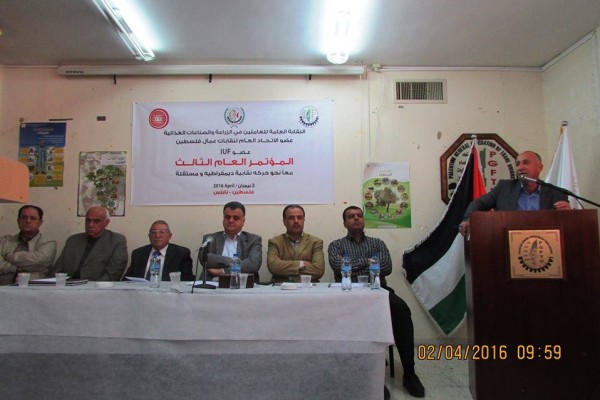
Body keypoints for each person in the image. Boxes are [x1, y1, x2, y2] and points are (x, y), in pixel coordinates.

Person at [328, 206, 425, 398]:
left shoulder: (377, 243)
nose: (356, 218)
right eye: (351, 216)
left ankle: (409, 373)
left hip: (377, 291)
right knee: (349, 318)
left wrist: (352, 263)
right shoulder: (336, 245)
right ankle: (372, 376)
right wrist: (369, 262)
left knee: (401, 309)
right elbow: (338, 266)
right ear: (344, 223)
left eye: (359, 215)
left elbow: (386, 267)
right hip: (348, 294)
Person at [459, 150, 570, 236]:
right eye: (517, 164)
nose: (520, 167)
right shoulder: (504, 188)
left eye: (526, 163)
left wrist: (568, 213)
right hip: (508, 240)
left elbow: (565, 222)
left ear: (540, 167)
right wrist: (467, 219)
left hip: (544, 243)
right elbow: (479, 203)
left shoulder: (556, 192)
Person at [53, 206, 128, 281]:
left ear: (106, 222)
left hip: (97, 286)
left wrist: (94, 287)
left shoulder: (116, 241)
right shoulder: (73, 240)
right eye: (88, 220)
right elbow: (57, 270)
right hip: (67, 285)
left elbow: (113, 273)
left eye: (96, 221)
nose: (90, 225)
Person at [202, 201, 262, 281]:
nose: (231, 220)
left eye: (235, 218)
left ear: (243, 221)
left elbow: (253, 264)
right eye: (227, 217)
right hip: (212, 283)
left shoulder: (253, 240)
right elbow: (205, 258)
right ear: (223, 218)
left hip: (243, 284)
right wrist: (233, 261)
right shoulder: (210, 239)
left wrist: (223, 271)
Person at [0, 205, 56, 285]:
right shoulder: (4, 241)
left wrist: (8, 256)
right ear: (18, 220)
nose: (28, 221)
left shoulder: (48, 243)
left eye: (33, 218)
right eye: (24, 217)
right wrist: (16, 269)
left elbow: (38, 262)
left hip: (33, 289)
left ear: (40, 222)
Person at [267, 204, 324, 283]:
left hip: (307, 287)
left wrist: (283, 267)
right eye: (291, 218)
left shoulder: (315, 242)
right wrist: (301, 264)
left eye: (299, 217)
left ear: (303, 220)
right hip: (280, 287)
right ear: (284, 221)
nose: (296, 221)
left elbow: (318, 270)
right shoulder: (275, 242)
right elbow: (273, 267)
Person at [125, 220, 195, 281]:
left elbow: (187, 280)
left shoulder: (181, 254)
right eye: (153, 232)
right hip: (141, 290)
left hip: (168, 291)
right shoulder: (138, 254)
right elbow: (127, 279)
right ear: (149, 236)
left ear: (170, 236)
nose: (157, 235)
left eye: (162, 232)